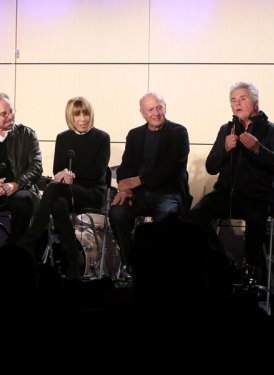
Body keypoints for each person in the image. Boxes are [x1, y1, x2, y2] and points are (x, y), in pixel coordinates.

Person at [189, 81, 274, 286]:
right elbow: (211, 166)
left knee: (256, 216)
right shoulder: (226, 129)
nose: (237, 103)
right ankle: (224, 261)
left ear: (256, 102)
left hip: (256, 194)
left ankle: (251, 270)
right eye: (233, 100)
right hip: (226, 192)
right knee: (194, 216)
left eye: (242, 98)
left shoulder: (270, 130)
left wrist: (257, 149)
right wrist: (224, 149)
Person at [20, 96, 110, 280]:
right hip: (66, 192)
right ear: (71, 117)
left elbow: (96, 173)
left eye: (86, 114)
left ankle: (30, 238)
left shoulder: (102, 138)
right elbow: (57, 171)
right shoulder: (63, 137)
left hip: (92, 192)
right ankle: (74, 263)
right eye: (78, 115)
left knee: (53, 189)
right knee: (58, 205)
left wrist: (70, 175)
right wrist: (61, 175)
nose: (83, 119)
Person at [109, 92, 190, 278]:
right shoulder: (135, 134)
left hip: (168, 192)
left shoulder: (178, 132)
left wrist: (137, 180)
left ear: (165, 108)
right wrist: (125, 187)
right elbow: (125, 166)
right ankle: (132, 265)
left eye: (159, 107)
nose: (156, 113)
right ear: (143, 113)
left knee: (168, 215)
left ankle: (162, 269)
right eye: (151, 109)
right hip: (138, 194)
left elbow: (171, 168)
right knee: (116, 213)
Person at [0, 93, 42, 243]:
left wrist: (15, 184)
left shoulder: (27, 134)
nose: (10, 116)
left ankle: (15, 250)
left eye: (11, 111)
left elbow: (36, 167)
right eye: (4, 114)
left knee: (22, 201)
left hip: (20, 190)